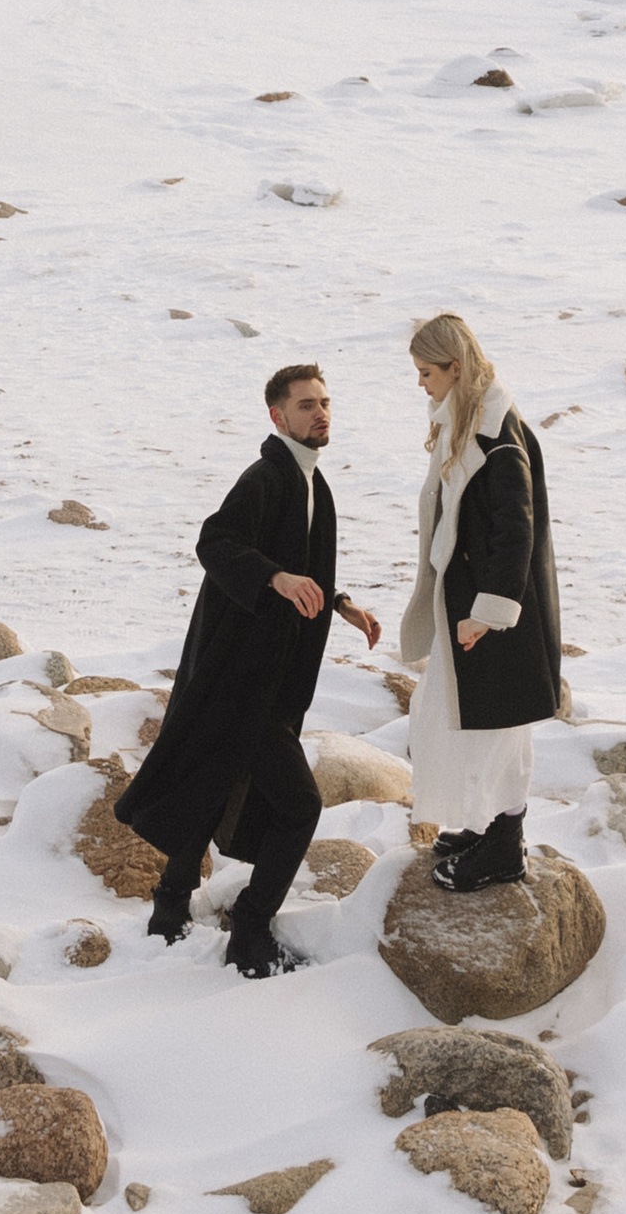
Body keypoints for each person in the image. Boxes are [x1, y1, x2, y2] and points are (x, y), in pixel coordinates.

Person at [112, 360, 380, 977]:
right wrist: (276, 579)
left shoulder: (313, 483)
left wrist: (340, 604)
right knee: (298, 806)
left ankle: (169, 908)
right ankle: (252, 930)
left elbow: (300, 559)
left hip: (267, 679)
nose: (320, 413)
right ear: (277, 415)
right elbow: (216, 542)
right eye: (307, 404)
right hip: (242, 681)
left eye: (325, 402)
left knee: (215, 780)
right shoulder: (266, 477)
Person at [398, 310, 559, 892]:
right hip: (466, 605)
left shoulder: (495, 432)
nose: (421, 384)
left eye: (426, 373)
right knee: (459, 720)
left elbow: (515, 529)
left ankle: (504, 844)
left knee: (496, 730)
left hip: (493, 615)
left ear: (455, 368)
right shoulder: (469, 419)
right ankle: (481, 825)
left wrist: (488, 614)